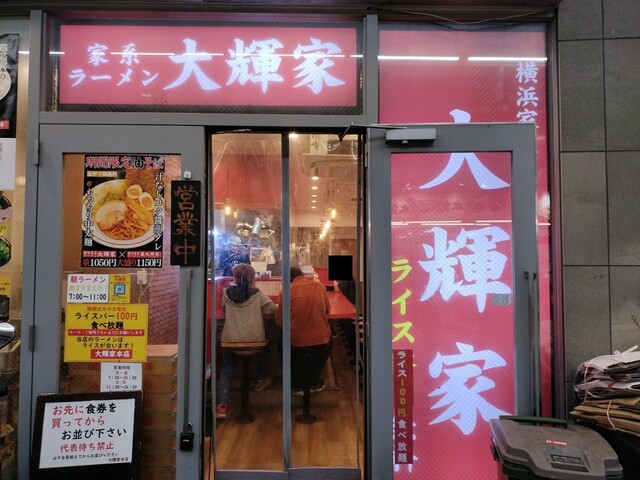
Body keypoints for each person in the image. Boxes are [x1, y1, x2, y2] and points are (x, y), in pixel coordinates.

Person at [216, 263, 277, 419]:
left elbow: (224, 311)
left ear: (235, 278)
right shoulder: (258, 294)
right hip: (254, 344)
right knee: (269, 345)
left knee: (226, 369)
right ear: (252, 279)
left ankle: (222, 405)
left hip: (230, 342)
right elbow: (273, 309)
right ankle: (260, 379)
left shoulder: (226, 293)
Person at [276, 266, 332, 395]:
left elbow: (279, 322)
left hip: (297, 345)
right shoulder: (319, 286)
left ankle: (296, 385)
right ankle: (313, 381)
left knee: (281, 344)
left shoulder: (286, 291)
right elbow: (327, 310)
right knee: (328, 344)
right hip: (321, 343)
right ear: (301, 275)